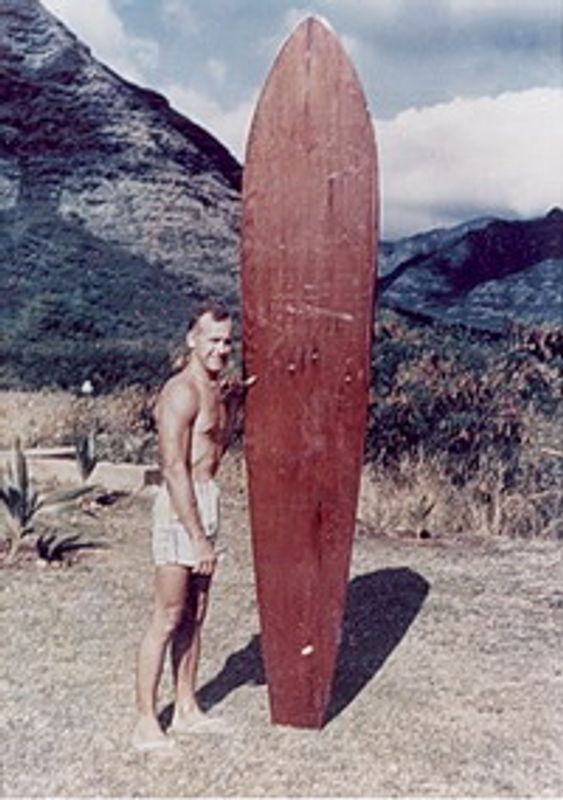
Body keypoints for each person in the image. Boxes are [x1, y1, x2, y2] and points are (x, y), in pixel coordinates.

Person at [132, 302, 250, 751]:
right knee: (167, 616)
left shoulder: (217, 390)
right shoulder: (181, 392)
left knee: (195, 616)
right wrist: (198, 537)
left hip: (208, 497)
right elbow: (174, 467)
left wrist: (236, 400)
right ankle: (146, 721)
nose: (221, 349)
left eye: (226, 341)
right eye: (212, 340)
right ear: (191, 341)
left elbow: (215, 445)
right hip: (180, 504)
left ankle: (185, 709)